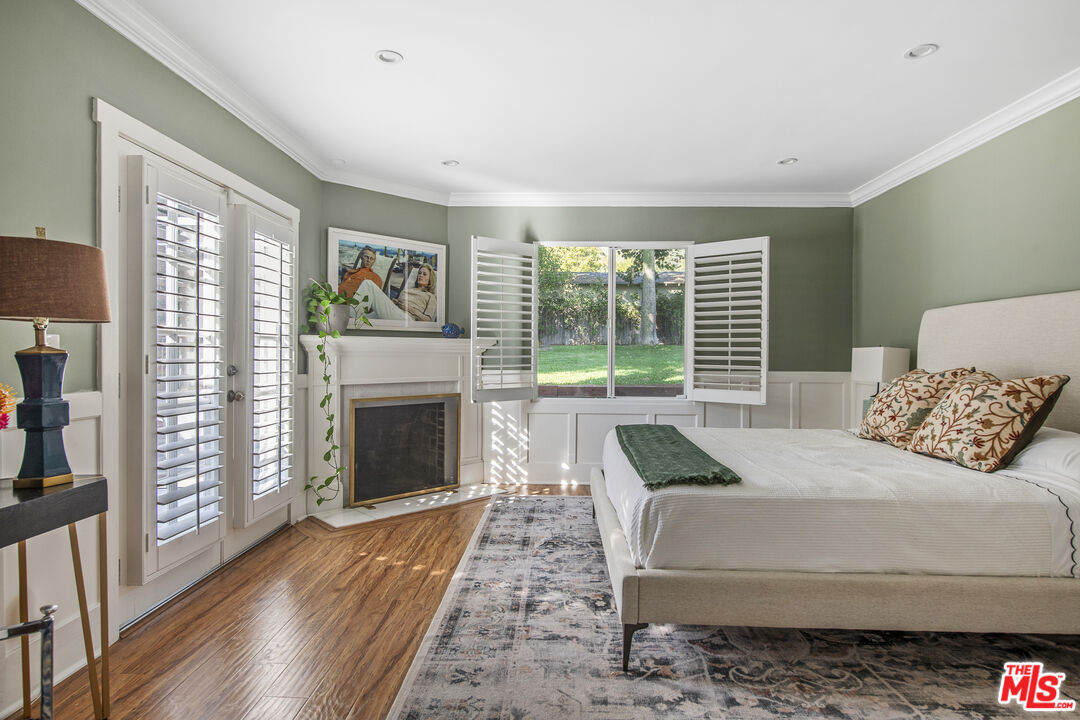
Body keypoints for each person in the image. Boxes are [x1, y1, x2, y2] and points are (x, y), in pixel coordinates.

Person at [355, 262, 437, 322]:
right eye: (419, 273)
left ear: (430, 279)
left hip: (407, 318)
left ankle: (351, 315)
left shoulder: (430, 296)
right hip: (396, 312)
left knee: (368, 284)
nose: (420, 275)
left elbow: (429, 320)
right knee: (361, 319)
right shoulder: (409, 289)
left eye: (424, 274)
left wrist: (410, 309)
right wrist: (395, 302)